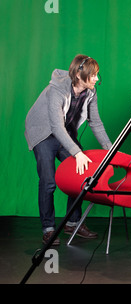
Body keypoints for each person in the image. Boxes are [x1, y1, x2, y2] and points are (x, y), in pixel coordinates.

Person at [25, 54, 112, 246]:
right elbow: (55, 127)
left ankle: (72, 224)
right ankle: (48, 229)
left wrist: (110, 149)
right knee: (48, 182)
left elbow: (95, 122)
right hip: (43, 132)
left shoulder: (91, 92)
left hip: (64, 132)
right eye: (94, 75)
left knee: (80, 177)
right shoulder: (57, 90)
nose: (97, 79)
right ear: (80, 76)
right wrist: (77, 153)